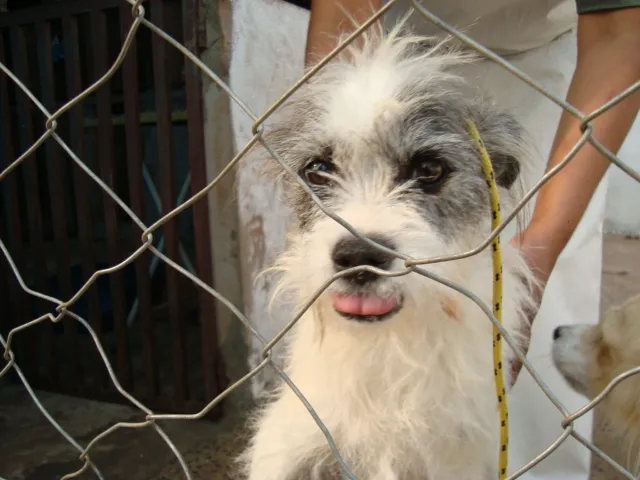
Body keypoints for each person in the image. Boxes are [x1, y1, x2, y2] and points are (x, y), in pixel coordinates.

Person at [304, 0, 640, 478]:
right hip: (388, 54)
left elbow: (616, 35)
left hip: (547, 63)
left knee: (540, 337)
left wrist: (538, 255)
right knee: (345, 362)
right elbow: (344, 14)